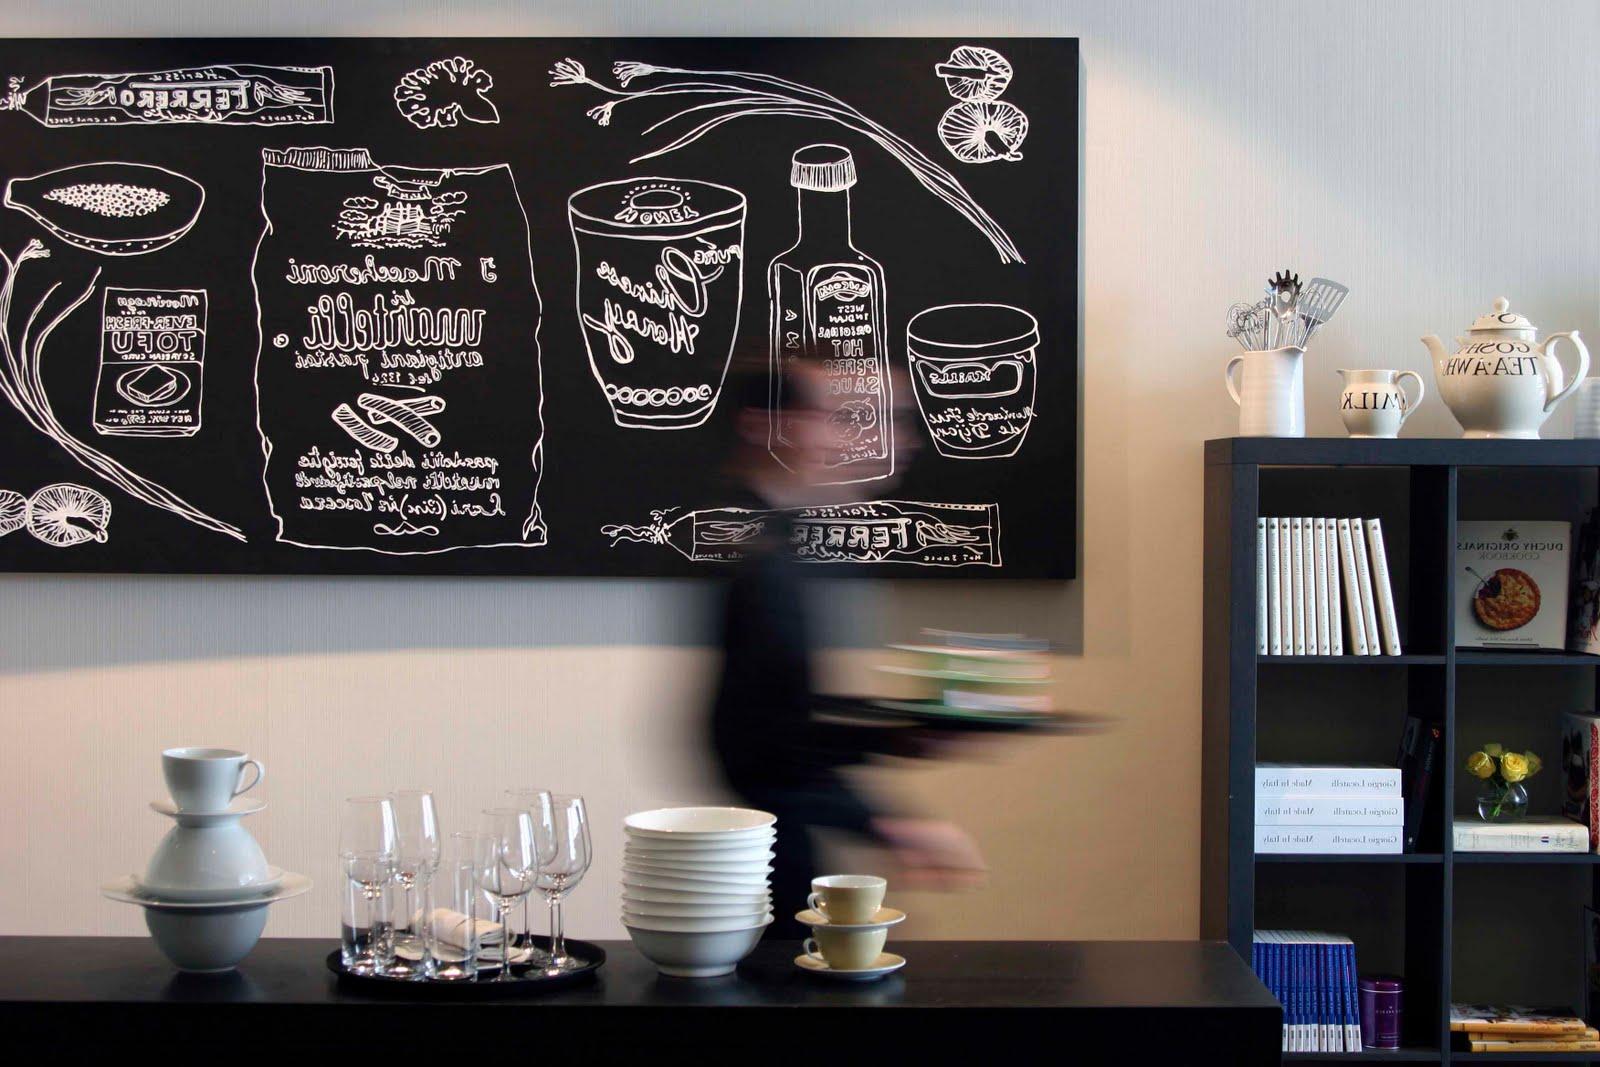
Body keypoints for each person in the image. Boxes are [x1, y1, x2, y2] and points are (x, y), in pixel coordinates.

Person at [709, 357, 986, 939]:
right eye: (846, 418)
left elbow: (782, 713)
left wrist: (893, 736)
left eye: (894, 420)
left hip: (777, 853)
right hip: (768, 864)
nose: (893, 440)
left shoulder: (784, 544)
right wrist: (889, 824)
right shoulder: (764, 564)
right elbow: (755, 744)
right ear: (767, 425)